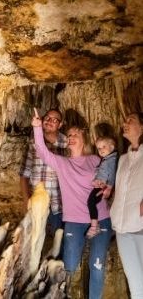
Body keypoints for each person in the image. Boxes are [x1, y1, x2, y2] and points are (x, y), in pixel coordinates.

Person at [32, 108, 112, 299]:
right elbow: (42, 151)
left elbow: (111, 174)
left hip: (101, 219)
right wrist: (36, 128)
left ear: (84, 137)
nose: (72, 137)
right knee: (68, 266)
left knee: (97, 266)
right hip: (74, 221)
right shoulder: (63, 163)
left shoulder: (95, 160)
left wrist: (110, 187)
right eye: (69, 135)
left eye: (76, 134)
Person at [110, 112, 143, 299]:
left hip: (140, 226)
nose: (125, 123)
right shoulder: (122, 159)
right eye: (125, 120)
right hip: (122, 227)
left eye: (131, 120)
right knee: (135, 283)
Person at [20, 108, 67, 234]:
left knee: (57, 242)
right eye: (47, 118)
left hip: (58, 204)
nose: (49, 121)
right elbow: (24, 174)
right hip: (36, 202)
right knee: (34, 242)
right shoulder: (33, 143)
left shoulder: (68, 143)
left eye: (54, 120)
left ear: (60, 124)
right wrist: (26, 200)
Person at [86, 136, 118, 238]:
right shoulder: (107, 159)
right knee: (93, 202)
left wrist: (108, 187)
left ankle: (95, 227)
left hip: (103, 187)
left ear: (112, 147)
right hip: (101, 185)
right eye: (99, 148)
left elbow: (112, 174)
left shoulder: (111, 160)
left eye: (104, 146)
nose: (101, 150)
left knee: (91, 202)